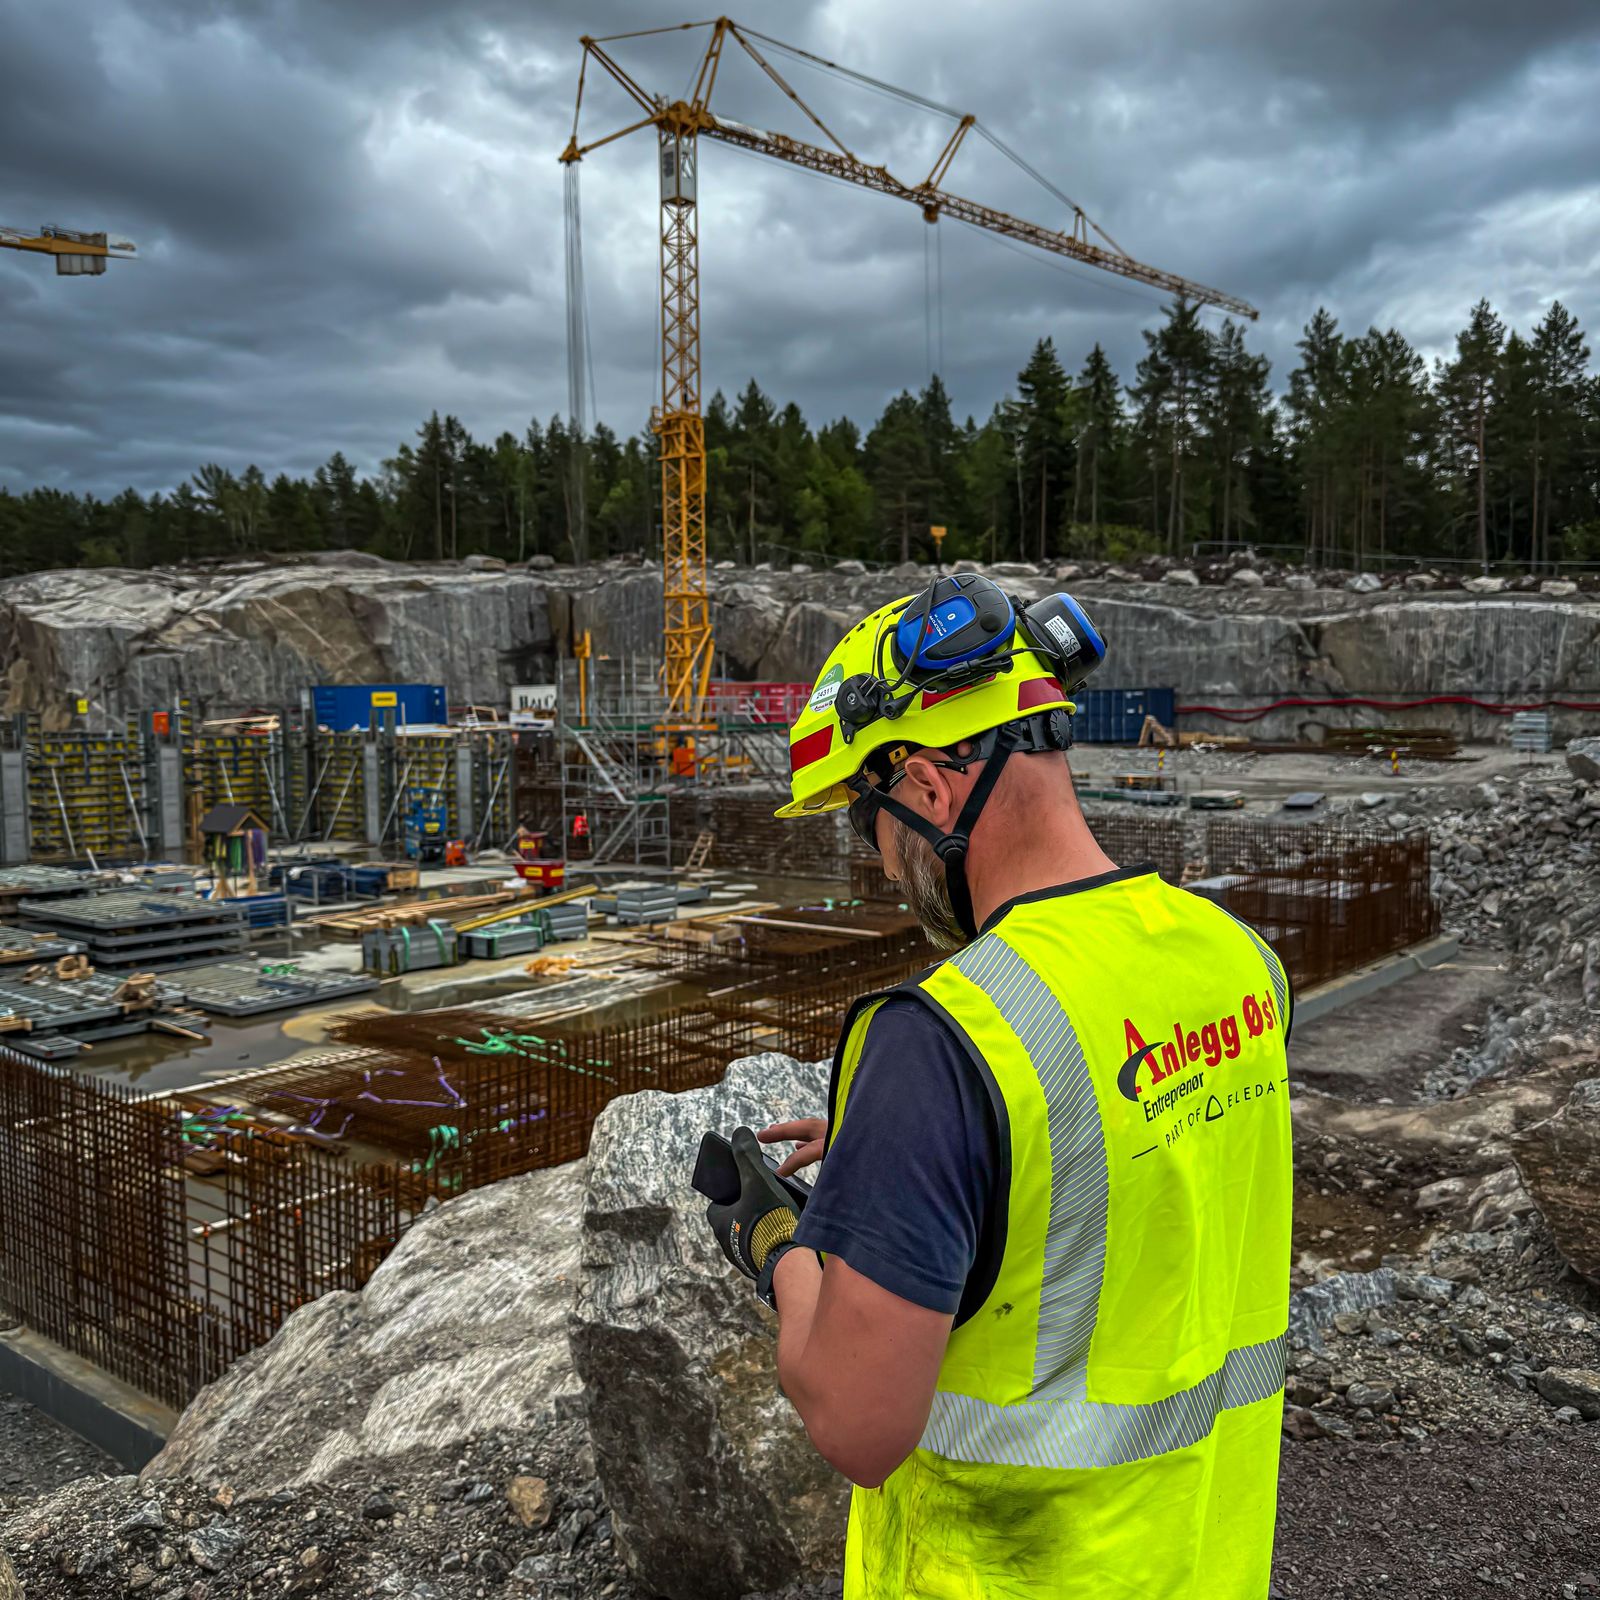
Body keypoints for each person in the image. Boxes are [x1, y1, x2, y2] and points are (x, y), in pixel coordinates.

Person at [700, 575, 1293, 1599]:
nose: (881, 860)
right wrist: (917, 1173)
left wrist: (778, 1245)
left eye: (866, 818)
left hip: (1008, 1569)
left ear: (929, 787)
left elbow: (856, 1421)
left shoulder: (940, 1041)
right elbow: (1131, 1176)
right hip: (1199, 1559)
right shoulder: (1235, 959)